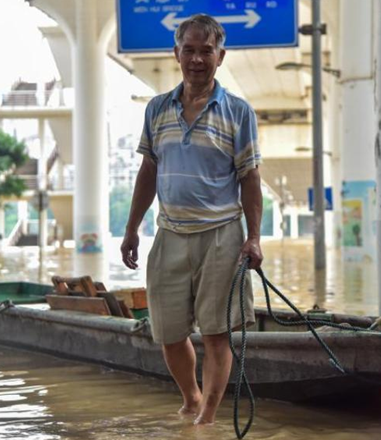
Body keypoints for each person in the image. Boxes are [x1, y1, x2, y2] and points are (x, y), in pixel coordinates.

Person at [121, 14, 263, 425]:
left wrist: (254, 238)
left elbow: (250, 178)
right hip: (170, 233)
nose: (197, 59)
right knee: (167, 333)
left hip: (222, 235)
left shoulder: (238, 112)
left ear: (221, 56)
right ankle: (191, 398)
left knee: (217, 333)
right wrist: (132, 228)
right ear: (176, 53)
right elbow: (149, 170)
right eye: (189, 50)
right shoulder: (157, 108)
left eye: (206, 51)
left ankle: (206, 422)